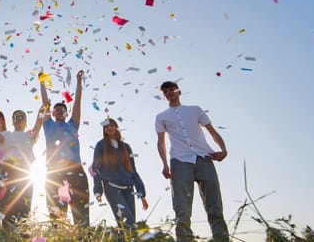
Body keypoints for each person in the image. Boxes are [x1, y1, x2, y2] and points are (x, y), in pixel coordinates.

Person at [155, 81, 229, 242]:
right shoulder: (161, 117)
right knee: (182, 209)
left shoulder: (195, 110)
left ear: (178, 92)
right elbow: (161, 142)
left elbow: (212, 131)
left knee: (214, 205)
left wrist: (223, 150)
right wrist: (165, 164)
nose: (168, 93)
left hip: (204, 158)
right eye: (165, 91)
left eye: (171, 90)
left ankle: (222, 239)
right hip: (179, 162)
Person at [0, 105, 49, 227]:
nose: (18, 119)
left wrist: (40, 113)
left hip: (24, 172)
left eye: (21, 117)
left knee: (21, 206)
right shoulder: (7, 135)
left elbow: (37, 127)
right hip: (7, 170)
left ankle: (16, 233)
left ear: (25, 121)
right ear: (12, 121)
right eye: (15, 117)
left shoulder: (29, 135)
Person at [39, 69, 90, 227]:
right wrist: (42, 83)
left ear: (66, 113)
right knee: (57, 210)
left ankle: (83, 236)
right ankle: (59, 235)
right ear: (53, 113)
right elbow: (45, 102)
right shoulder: (48, 125)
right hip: (55, 172)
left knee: (80, 208)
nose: (59, 110)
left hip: (75, 169)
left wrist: (79, 83)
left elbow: (77, 104)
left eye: (63, 109)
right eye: (56, 109)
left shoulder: (72, 125)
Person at [92, 118, 149, 231]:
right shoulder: (101, 145)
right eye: (106, 126)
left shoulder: (126, 147)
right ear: (104, 130)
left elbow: (133, 170)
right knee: (127, 221)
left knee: (131, 224)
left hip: (128, 188)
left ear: (116, 127)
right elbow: (95, 168)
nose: (109, 128)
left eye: (112, 125)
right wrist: (98, 190)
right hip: (112, 187)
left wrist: (142, 194)